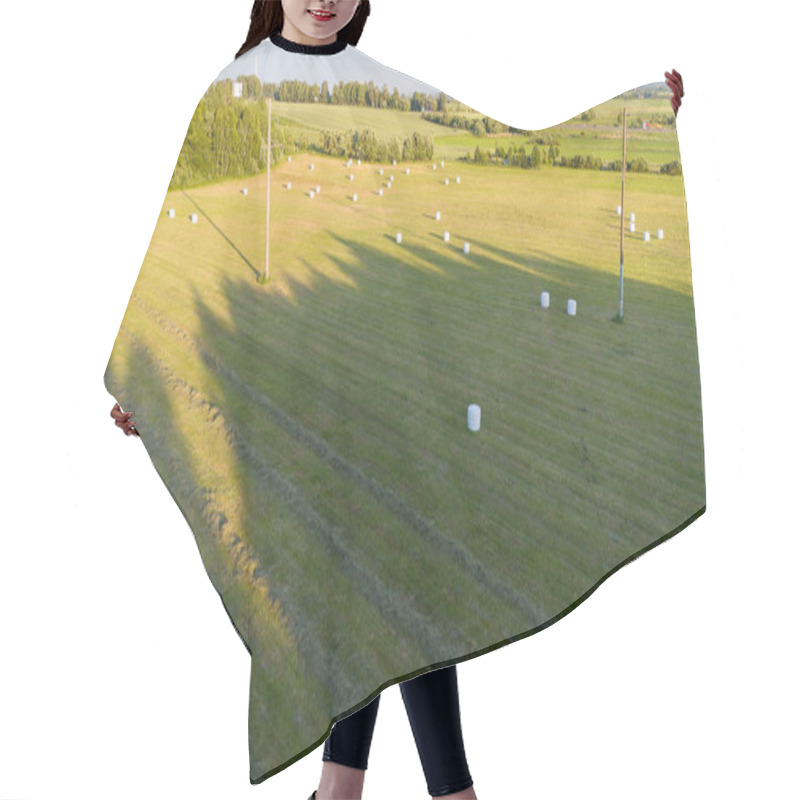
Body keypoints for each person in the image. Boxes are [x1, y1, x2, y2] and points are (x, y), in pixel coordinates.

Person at [110, 2, 685, 798]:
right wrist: (152, 371)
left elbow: (503, 160)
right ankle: (426, 791)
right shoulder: (233, 91)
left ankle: (350, 789)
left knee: (395, 579)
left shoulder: (379, 89)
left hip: (386, 386)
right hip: (297, 390)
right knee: (367, 584)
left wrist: (635, 123)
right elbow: (195, 239)